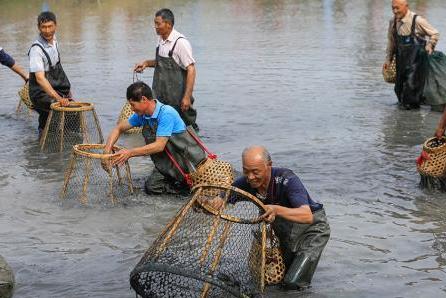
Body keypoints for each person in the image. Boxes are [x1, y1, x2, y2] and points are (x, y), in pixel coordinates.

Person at [232, 146, 330, 290]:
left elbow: (306, 215)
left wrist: (275, 209)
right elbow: (226, 195)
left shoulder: (287, 179)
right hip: (286, 234)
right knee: (276, 279)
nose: (250, 177)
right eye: (246, 171)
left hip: (312, 231)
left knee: (293, 282)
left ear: (269, 166)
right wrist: (215, 201)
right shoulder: (246, 182)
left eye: (255, 172)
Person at [105, 81, 206, 195]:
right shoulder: (142, 115)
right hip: (167, 163)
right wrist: (107, 151)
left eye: (133, 105)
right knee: (152, 187)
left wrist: (130, 152)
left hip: (186, 163)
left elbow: (159, 146)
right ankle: (178, 186)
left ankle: (186, 189)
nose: (132, 109)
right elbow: (119, 128)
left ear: (144, 99)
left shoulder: (166, 113)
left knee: (188, 189)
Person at [134, 8, 198, 130]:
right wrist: (146, 63)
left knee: (184, 130)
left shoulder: (180, 43)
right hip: (160, 96)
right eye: (155, 24)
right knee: (162, 128)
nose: (155, 27)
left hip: (177, 99)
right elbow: (160, 63)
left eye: (158, 24)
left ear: (168, 24)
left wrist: (187, 97)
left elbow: (191, 69)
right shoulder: (160, 40)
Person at [383, 0, 439, 110]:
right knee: (398, 90)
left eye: (397, 8)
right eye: (393, 8)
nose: (395, 11)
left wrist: (430, 45)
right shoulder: (393, 22)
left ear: (406, 7)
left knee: (411, 90)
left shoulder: (417, 20)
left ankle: (412, 121)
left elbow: (434, 33)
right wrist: (388, 60)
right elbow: (391, 42)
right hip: (401, 62)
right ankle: (402, 121)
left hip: (417, 64)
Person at [28, 11, 72, 136]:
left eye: (50, 26)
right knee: (54, 113)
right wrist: (58, 98)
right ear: (38, 27)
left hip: (55, 87)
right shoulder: (36, 50)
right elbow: (40, 79)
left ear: (56, 26)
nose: (47, 31)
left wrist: (68, 91)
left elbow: (58, 67)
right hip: (40, 93)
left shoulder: (54, 41)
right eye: (44, 27)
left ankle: (48, 138)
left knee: (69, 113)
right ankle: (43, 140)